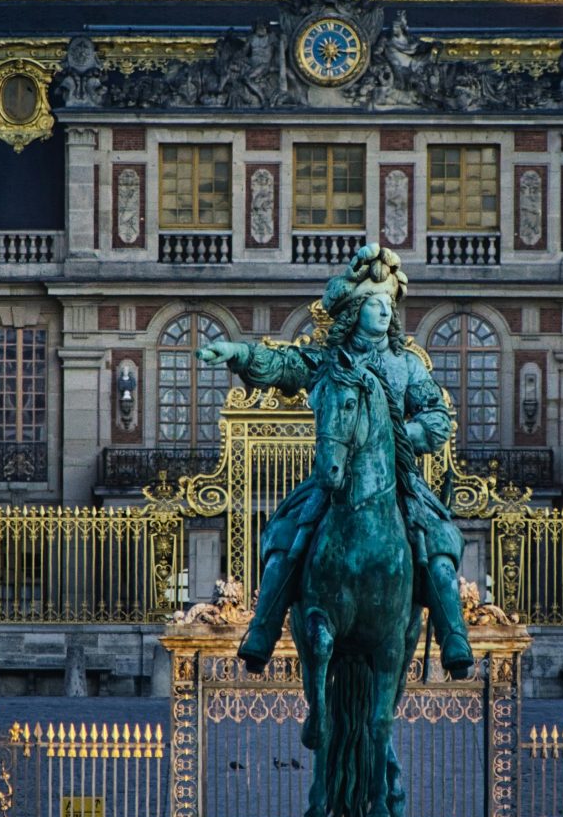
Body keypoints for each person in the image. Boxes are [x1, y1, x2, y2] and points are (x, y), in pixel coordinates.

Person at [198, 242, 474, 681]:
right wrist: (240, 354)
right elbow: (285, 364)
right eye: (374, 303)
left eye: (388, 303)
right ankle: (262, 630)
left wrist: (404, 437)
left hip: (397, 479)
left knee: (437, 546)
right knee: (285, 540)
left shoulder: (406, 366)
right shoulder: (330, 360)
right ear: (355, 310)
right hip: (333, 478)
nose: (384, 312)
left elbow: (438, 418)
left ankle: (454, 635)